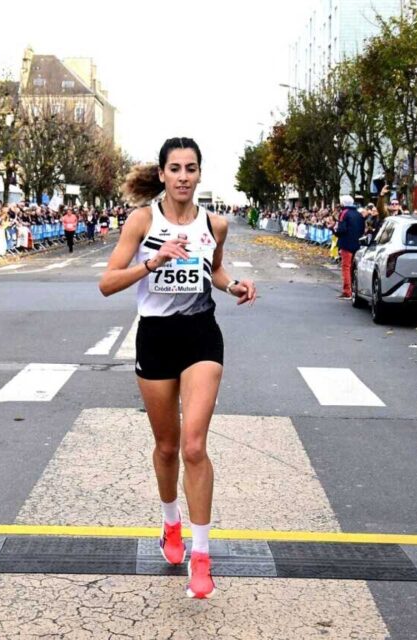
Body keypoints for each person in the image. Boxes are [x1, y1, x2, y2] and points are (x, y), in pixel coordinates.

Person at [98, 137, 256, 600]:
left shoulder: (216, 224)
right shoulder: (143, 220)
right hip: (156, 336)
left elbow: (216, 272)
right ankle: (171, 524)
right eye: (175, 168)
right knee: (166, 447)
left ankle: (202, 556)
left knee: (193, 446)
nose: (183, 176)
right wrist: (154, 261)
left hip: (201, 334)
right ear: (162, 174)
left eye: (191, 168)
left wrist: (236, 287)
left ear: (200, 174)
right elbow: (107, 283)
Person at [334, 195, 364, 300]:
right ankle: (355, 289)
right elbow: (362, 229)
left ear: (343, 203)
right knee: (354, 268)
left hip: (346, 243)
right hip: (357, 244)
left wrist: (334, 230)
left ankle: (347, 291)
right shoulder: (359, 214)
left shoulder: (344, 213)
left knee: (346, 267)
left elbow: (341, 229)